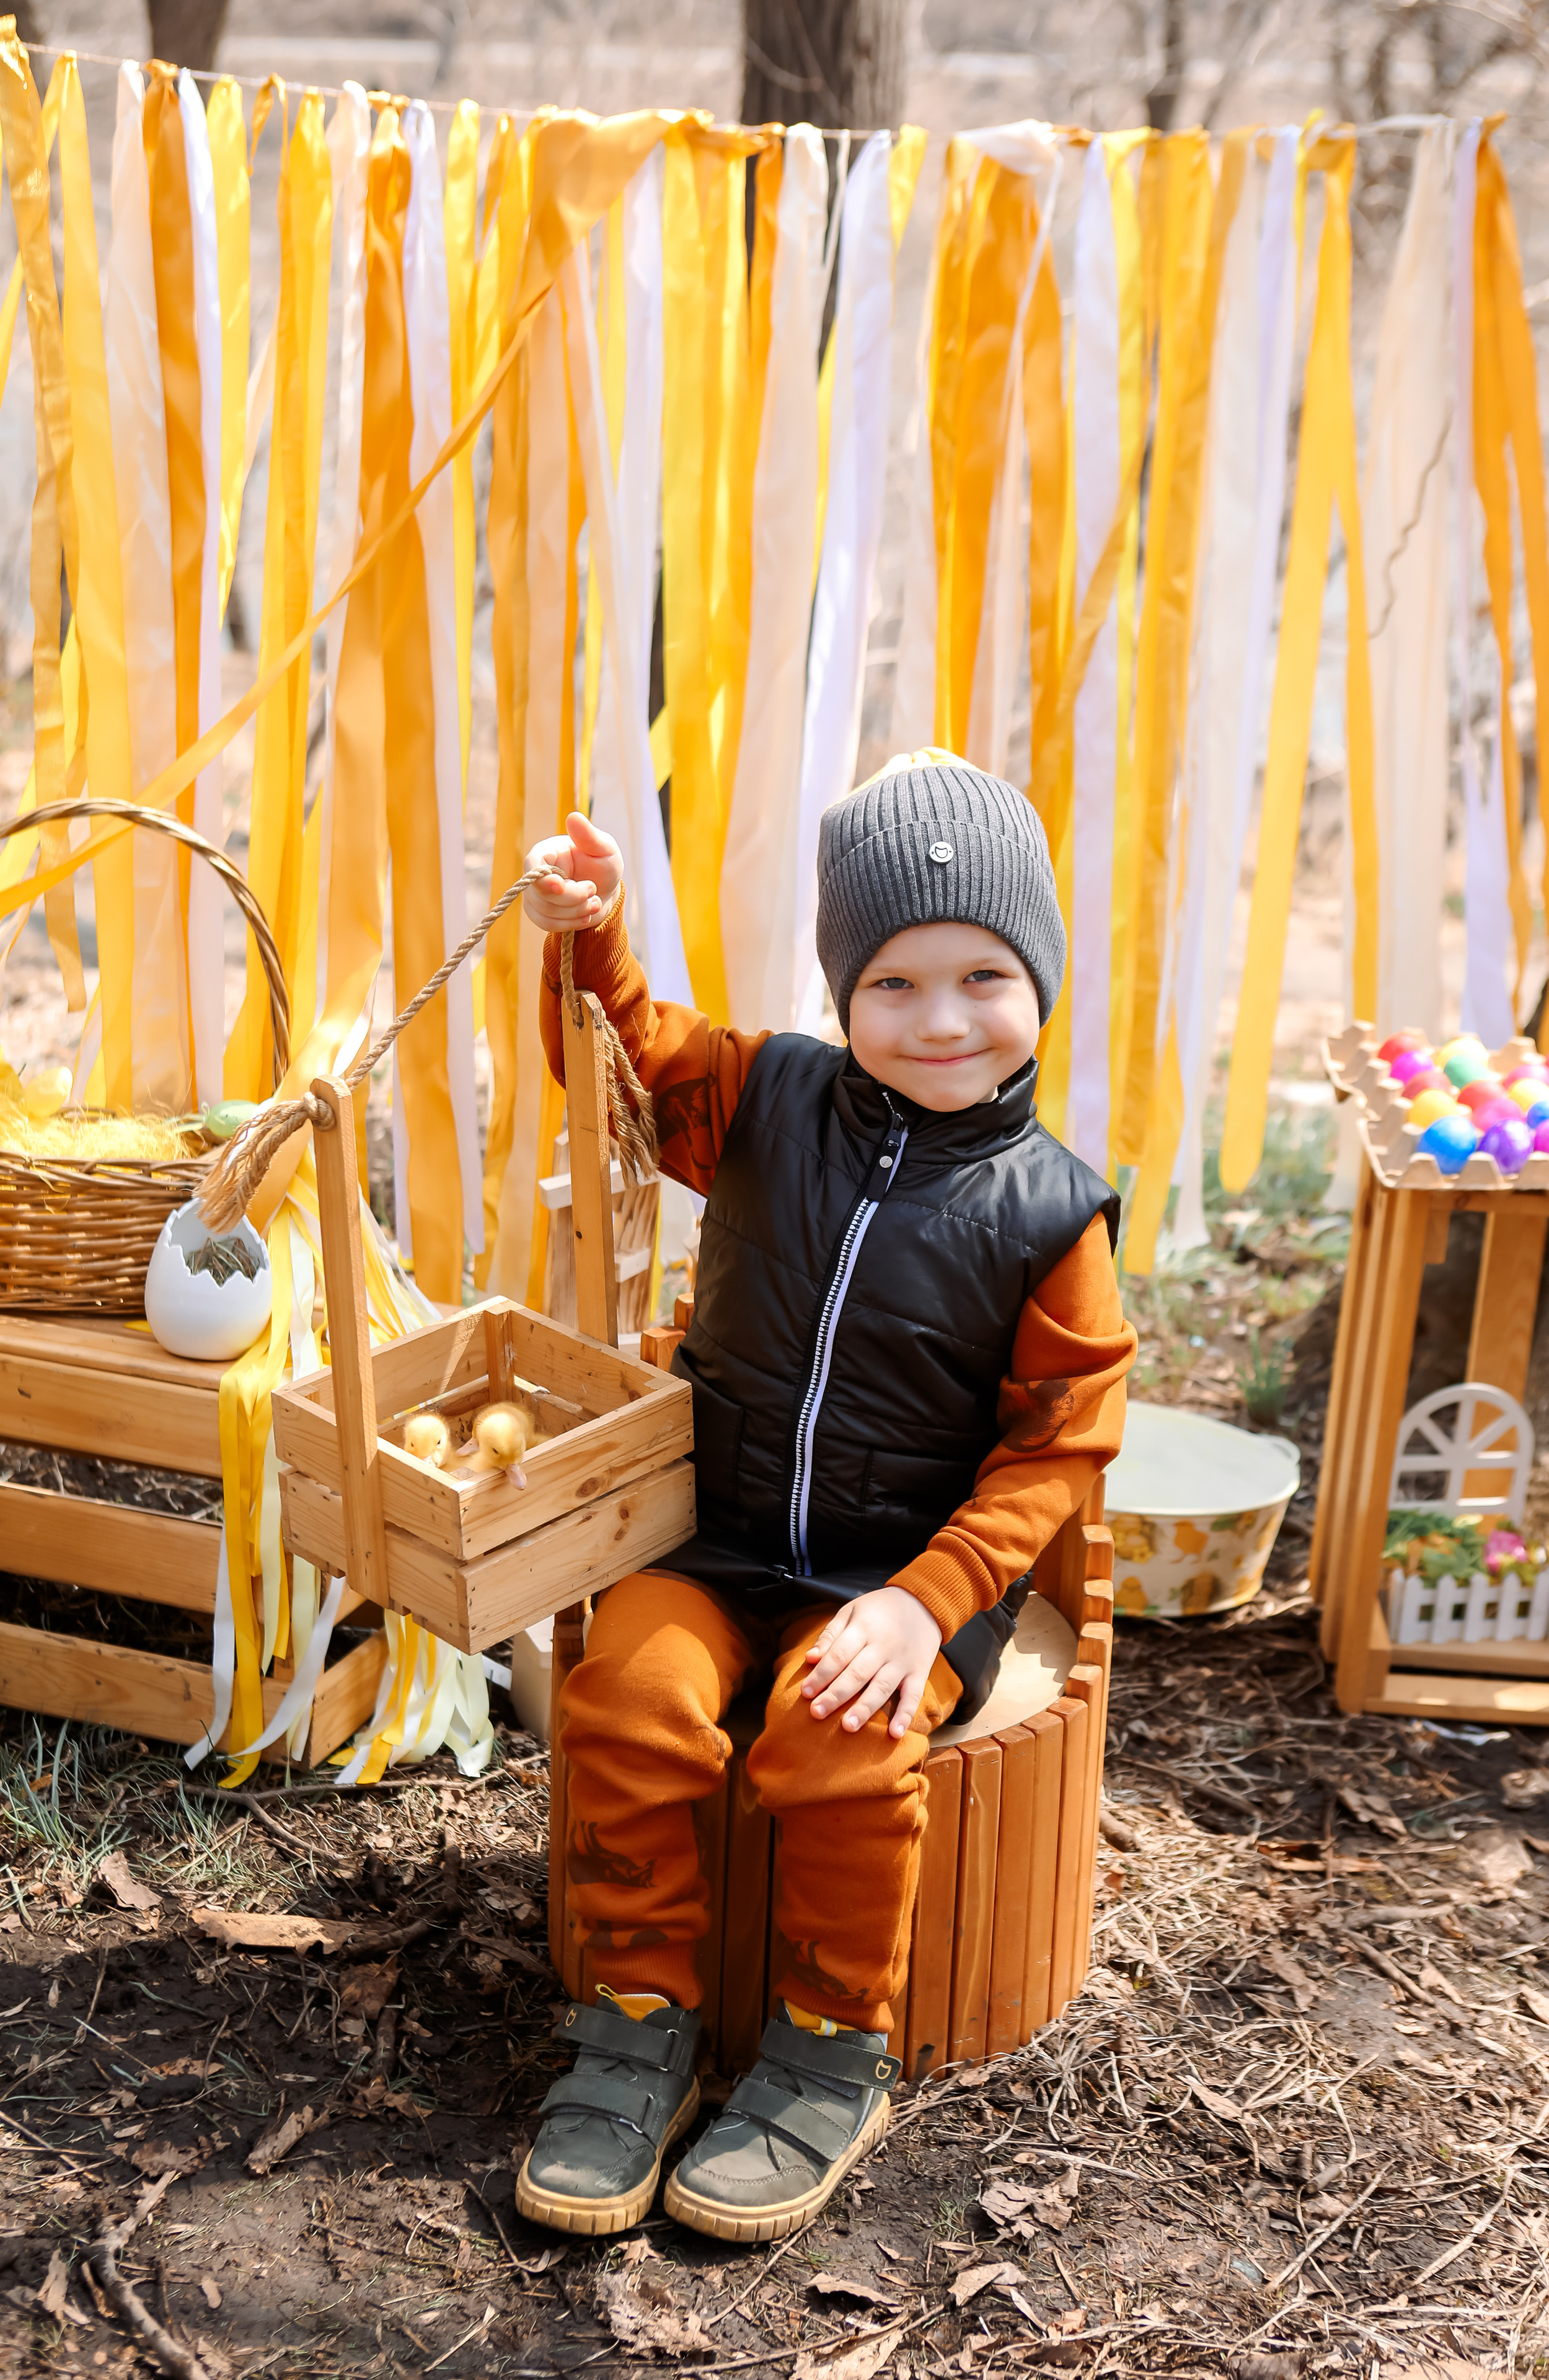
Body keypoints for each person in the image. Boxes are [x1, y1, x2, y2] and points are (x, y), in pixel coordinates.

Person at [514, 750, 1134, 2246]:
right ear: (841, 992)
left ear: (1038, 980)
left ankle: (823, 2047)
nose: (937, 1020)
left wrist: (926, 1608)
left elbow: (1056, 1447)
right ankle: (635, 2019)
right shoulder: (763, 1095)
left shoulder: (1047, 1212)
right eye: (893, 984)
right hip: (716, 1543)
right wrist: (585, 932)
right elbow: (625, 1058)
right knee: (628, 1699)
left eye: (982, 976)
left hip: (894, 1582)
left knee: (837, 1735)